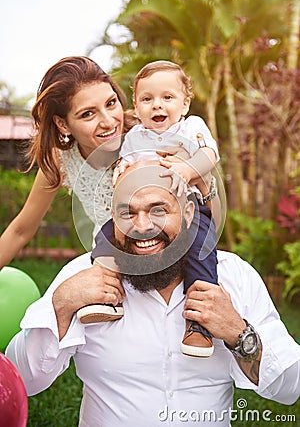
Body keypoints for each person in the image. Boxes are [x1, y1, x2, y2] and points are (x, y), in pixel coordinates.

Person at [6, 162, 300, 427]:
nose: (143, 226)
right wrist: (61, 305)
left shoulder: (234, 276)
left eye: (158, 210)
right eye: (127, 213)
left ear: (188, 213)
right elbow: (21, 380)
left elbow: (291, 387)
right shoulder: (83, 275)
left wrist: (239, 332)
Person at [84, 60, 221, 358]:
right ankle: (105, 295)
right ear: (136, 104)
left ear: (185, 103)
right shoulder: (134, 137)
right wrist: (122, 172)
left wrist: (187, 169)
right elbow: (125, 163)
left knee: (201, 254)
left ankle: (199, 325)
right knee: (107, 236)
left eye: (167, 98)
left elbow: (210, 155)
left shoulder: (191, 126)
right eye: (147, 99)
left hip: (190, 209)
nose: (157, 105)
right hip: (142, 209)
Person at [0, 56, 131, 268]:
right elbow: (21, 230)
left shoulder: (148, 137)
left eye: (111, 103)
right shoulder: (62, 159)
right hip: (109, 263)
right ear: (63, 124)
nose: (108, 121)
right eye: (88, 114)